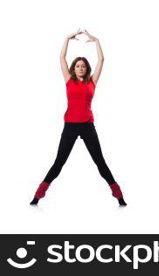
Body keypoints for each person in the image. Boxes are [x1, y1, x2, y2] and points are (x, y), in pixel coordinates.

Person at [31, 30, 127, 206]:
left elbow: (102, 60)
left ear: (86, 68)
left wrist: (96, 40)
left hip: (87, 126)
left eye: (83, 66)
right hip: (70, 126)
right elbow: (61, 57)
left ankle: (119, 197)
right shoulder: (69, 80)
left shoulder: (92, 82)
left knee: (100, 162)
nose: (80, 68)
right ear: (73, 69)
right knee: (59, 163)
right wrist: (67, 38)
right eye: (77, 66)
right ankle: (37, 196)